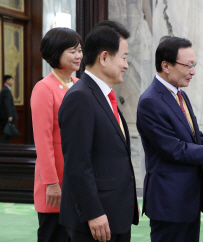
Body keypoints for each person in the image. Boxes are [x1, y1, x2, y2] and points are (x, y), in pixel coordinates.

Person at [136, 36, 203, 242]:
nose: (193, 71)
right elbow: (174, 149)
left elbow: (194, 137)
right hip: (169, 202)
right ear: (166, 65)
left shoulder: (179, 94)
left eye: (194, 65)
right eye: (188, 65)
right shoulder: (151, 101)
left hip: (187, 200)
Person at [58, 20, 139, 242]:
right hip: (95, 220)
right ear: (104, 58)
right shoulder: (80, 97)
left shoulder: (104, 96)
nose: (126, 65)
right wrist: (93, 212)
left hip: (115, 214)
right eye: (123, 57)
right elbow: (77, 163)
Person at [30, 27, 82, 242]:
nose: (79, 55)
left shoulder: (80, 85)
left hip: (79, 177)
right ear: (55, 52)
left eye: (80, 50)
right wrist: (51, 182)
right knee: (54, 234)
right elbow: (43, 141)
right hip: (56, 179)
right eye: (72, 51)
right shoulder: (44, 88)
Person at [0, 75, 18, 143]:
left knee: (7, 133)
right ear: (7, 81)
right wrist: (10, 115)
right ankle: (3, 149)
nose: (13, 82)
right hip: (7, 117)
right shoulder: (6, 90)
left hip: (5, 116)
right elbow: (7, 104)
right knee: (6, 133)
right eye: (12, 80)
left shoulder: (5, 89)